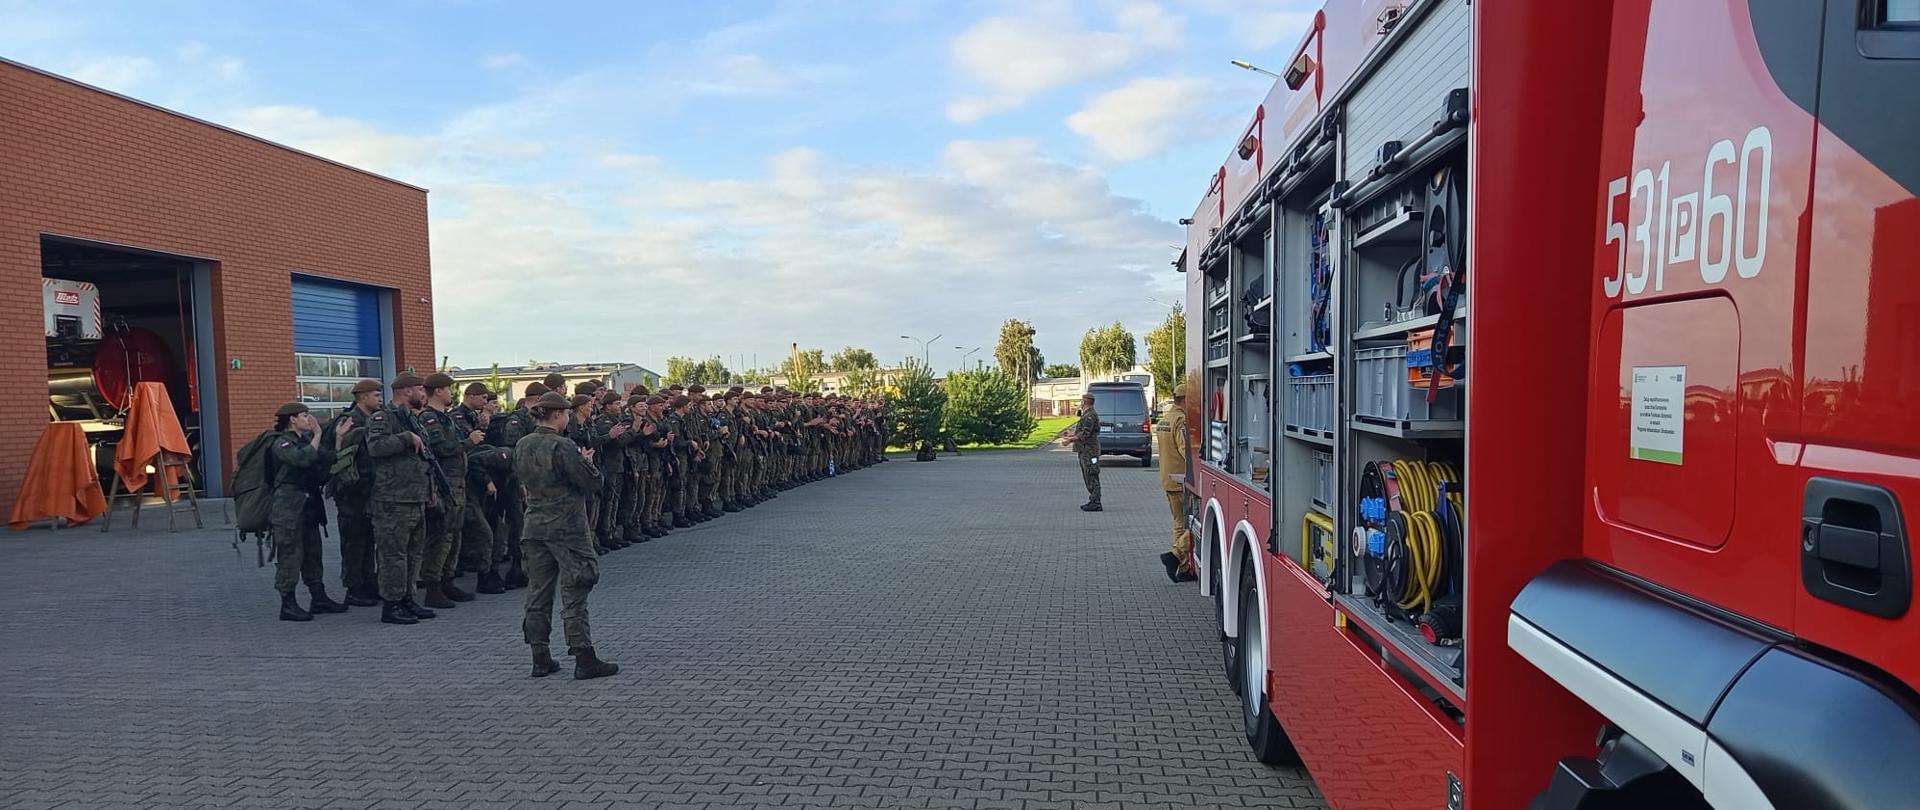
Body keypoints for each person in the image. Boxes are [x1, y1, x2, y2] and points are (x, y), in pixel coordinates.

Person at [515, 391, 618, 680]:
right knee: (575, 589)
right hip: (566, 527)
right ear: (558, 414)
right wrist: (586, 461)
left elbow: (521, 479)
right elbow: (591, 482)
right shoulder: (563, 446)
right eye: (567, 413)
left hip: (534, 525)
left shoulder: (523, 444)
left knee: (538, 592)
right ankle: (583, 656)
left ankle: (540, 656)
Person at [367, 372, 435, 625]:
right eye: (420, 390)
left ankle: (408, 598)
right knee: (393, 555)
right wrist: (405, 438)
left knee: (413, 552)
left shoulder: (412, 420)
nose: (423, 395)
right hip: (392, 499)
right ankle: (392, 603)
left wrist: (430, 492)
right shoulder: (383, 418)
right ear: (406, 391)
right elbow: (375, 447)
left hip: (415, 497)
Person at [269, 402, 347, 620]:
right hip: (288, 508)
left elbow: (326, 459)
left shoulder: (304, 441)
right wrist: (317, 434)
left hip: (308, 506)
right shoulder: (282, 443)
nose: (309, 419)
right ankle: (288, 603)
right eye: (304, 415)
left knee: (313, 553)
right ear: (292, 419)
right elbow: (301, 459)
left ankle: (318, 597)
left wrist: (339, 438)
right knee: (290, 554)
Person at [323, 379, 384, 607]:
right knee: (354, 542)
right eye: (375, 395)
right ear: (362, 397)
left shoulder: (372, 420)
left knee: (369, 540)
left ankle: (369, 583)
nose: (379, 399)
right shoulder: (348, 421)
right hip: (350, 492)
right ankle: (353, 588)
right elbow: (335, 455)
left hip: (368, 490)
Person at [1154, 390, 1198, 582]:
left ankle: (1182, 567)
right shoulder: (1181, 421)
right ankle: (1175, 555)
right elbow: (1184, 449)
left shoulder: (1164, 419)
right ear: (1184, 399)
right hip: (1182, 480)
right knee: (1193, 523)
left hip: (1168, 479)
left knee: (1179, 524)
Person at [1072, 393, 1102, 512]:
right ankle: (1093, 500)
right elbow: (1082, 431)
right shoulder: (1087, 415)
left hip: (1090, 452)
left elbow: (1085, 434)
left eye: (1081, 401)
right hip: (1085, 450)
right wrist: (1071, 435)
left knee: (1091, 474)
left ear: (1084, 402)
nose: (1081, 402)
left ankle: (1095, 502)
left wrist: (1070, 439)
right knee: (1087, 475)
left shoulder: (1090, 415)